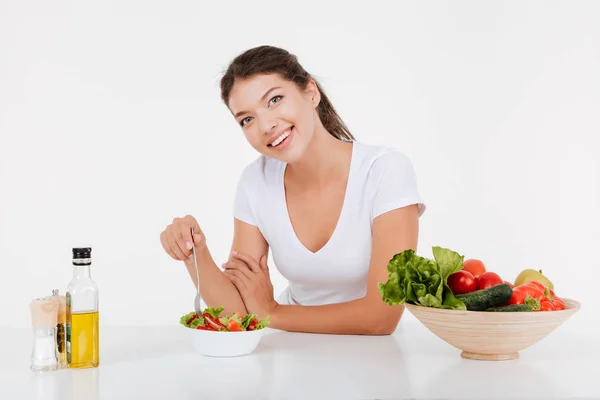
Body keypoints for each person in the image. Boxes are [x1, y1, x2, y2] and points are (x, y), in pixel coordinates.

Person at [160, 45, 426, 335]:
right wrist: (194, 253)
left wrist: (272, 313)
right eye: (246, 119)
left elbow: (381, 317)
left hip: (373, 358)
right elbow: (239, 313)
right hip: (289, 349)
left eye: (274, 100)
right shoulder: (256, 181)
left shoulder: (385, 170)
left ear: (311, 92)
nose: (266, 125)